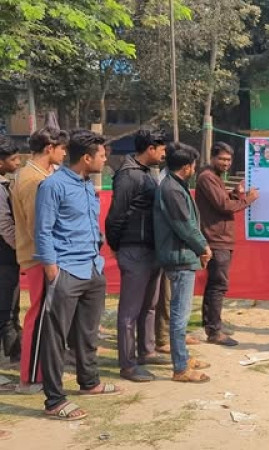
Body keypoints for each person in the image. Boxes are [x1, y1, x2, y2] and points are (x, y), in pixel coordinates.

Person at [36, 129, 121, 421]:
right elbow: (43, 231)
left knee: (88, 332)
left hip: (92, 268)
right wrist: (52, 270)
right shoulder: (52, 186)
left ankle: (89, 382)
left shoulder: (86, 185)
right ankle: (54, 400)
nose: (105, 159)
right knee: (55, 337)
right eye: (101, 155)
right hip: (66, 271)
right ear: (86, 158)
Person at [105, 129, 169, 382]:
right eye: (161, 148)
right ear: (150, 148)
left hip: (151, 249)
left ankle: (147, 350)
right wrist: (116, 245)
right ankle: (128, 364)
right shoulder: (128, 175)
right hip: (134, 249)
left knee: (149, 305)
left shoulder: (146, 173)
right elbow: (116, 215)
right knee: (129, 311)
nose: (164, 153)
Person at [13, 127, 67, 394]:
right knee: (39, 315)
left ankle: (42, 370)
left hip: (43, 255)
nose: (65, 154)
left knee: (47, 315)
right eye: (62, 148)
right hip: (40, 258)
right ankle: (30, 376)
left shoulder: (41, 175)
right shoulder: (33, 180)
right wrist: (50, 260)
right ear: (49, 148)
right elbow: (39, 227)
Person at [154, 142, 212, 383]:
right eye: (194, 165)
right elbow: (185, 225)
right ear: (187, 167)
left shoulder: (176, 185)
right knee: (179, 315)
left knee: (181, 314)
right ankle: (180, 368)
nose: (194, 169)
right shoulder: (172, 189)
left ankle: (183, 357)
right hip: (179, 257)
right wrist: (203, 247)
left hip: (183, 256)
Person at [196, 142, 259, 347]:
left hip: (221, 238)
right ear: (213, 158)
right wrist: (247, 200)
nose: (226, 163)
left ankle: (213, 326)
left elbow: (222, 200)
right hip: (216, 239)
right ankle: (214, 331)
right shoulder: (207, 177)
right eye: (222, 159)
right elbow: (223, 205)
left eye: (229, 160)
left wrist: (234, 193)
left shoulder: (215, 177)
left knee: (216, 285)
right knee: (218, 285)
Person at [0, 136, 21, 365]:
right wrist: (20, 247)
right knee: (7, 308)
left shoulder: (6, 185)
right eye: (14, 159)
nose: (18, 162)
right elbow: (5, 225)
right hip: (5, 256)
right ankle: (15, 353)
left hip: (7, 256)